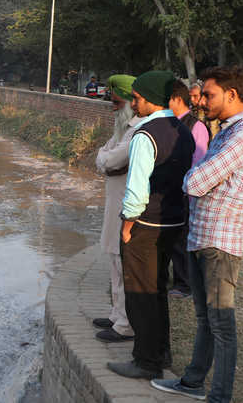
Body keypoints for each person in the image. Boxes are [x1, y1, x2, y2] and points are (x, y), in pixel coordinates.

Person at [151, 66, 243, 402]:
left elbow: (194, 182)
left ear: (232, 95)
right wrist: (199, 177)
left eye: (209, 94)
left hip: (220, 242)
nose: (202, 101)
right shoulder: (227, 131)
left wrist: (196, 178)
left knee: (221, 326)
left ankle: (220, 396)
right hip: (203, 237)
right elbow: (200, 179)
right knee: (205, 319)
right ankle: (192, 382)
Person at [106, 70, 195, 380]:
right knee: (158, 289)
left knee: (140, 293)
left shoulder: (146, 134)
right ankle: (162, 350)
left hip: (145, 223)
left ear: (152, 100)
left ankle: (146, 360)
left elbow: (136, 188)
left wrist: (128, 225)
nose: (134, 102)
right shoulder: (182, 130)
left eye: (138, 98)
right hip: (173, 221)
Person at [93, 75, 142, 343]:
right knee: (113, 260)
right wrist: (105, 161)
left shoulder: (136, 131)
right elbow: (102, 157)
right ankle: (115, 314)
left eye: (115, 102)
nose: (111, 107)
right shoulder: (122, 129)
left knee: (122, 263)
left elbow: (111, 159)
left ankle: (125, 323)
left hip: (126, 204)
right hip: (114, 202)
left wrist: (105, 161)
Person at [167, 80, 211, 298]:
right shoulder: (170, 123)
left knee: (181, 238)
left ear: (176, 99)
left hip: (185, 193)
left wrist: (186, 189)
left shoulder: (196, 127)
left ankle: (184, 284)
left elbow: (199, 163)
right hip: (170, 190)